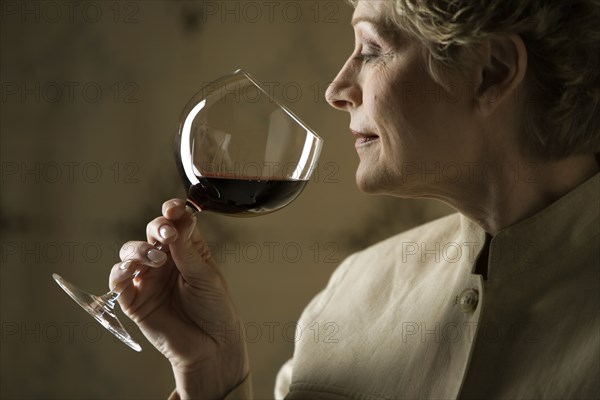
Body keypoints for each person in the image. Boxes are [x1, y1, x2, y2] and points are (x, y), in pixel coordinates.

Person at [109, 0, 600, 398]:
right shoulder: (351, 291)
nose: (337, 89)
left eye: (370, 48)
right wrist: (214, 369)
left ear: (491, 72)